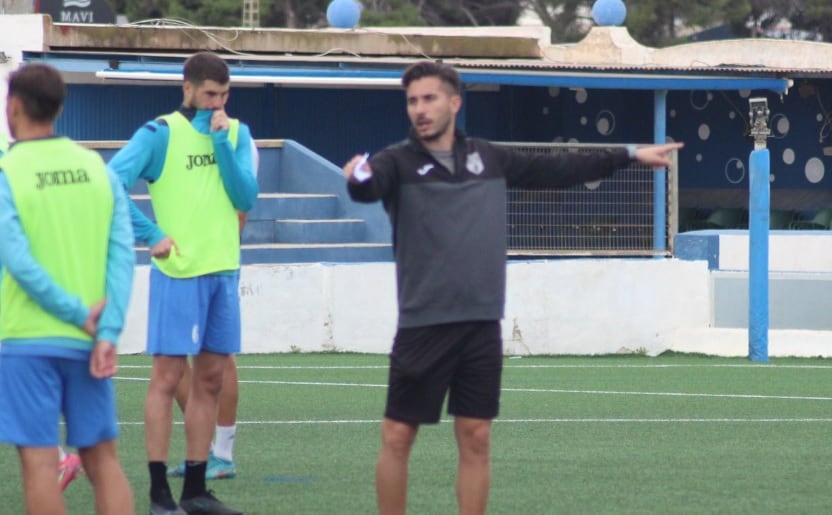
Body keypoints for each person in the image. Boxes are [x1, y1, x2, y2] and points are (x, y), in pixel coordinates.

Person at [342, 60, 684, 515]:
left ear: (454, 102)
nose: (420, 109)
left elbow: (558, 168)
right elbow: (367, 186)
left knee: (477, 436)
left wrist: (627, 154)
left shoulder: (490, 158)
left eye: (429, 98)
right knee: (398, 436)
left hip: (480, 325)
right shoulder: (395, 163)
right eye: (412, 101)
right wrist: (357, 176)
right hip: (423, 324)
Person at [109, 51, 257, 515]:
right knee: (167, 378)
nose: (216, 103)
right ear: (187, 89)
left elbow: (245, 195)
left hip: (222, 272)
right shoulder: (158, 134)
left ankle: (196, 490)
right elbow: (110, 181)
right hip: (179, 274)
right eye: (208, 94)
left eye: (223, 95)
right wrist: (149, 234)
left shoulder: (234, 133)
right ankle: (159, 494)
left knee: (210, 380)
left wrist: (220, 146)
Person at [0, 63, 135, 515]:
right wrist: (108, 329)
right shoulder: (98, 168)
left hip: (25, 338)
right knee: (103, 460)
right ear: (59, 107)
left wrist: (75, 311)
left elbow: (18, 261)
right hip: (90, 339)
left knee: (39, 465)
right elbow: (121, 254)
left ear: (13, 105)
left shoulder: (6, 171)